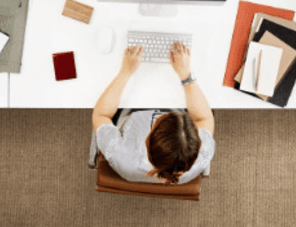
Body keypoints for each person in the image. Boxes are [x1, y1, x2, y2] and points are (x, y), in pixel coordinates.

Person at [91, 41, 215, 184]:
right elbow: (204, 118)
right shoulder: (202, 153)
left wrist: (125, 72)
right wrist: (186, 76)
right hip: (174, 97)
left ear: (148, 141)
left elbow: (101, 115)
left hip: (133, 110)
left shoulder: (122, 156)